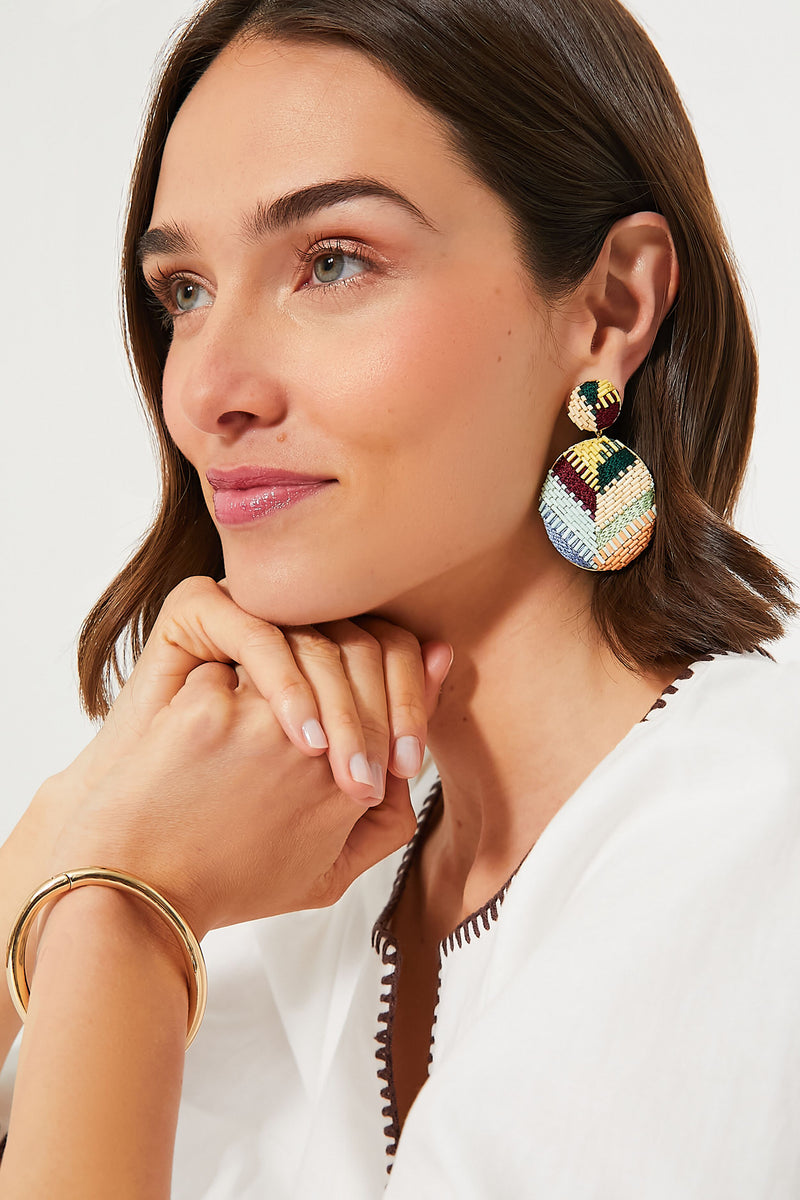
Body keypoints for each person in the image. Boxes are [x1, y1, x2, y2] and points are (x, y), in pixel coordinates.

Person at [0, 0, 798, 1195]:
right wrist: (81, 819)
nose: (206, 390)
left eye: (331, 262)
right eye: (184, 291)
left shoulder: (748, 846)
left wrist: (122, 911)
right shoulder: (282, 851)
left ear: (612, 308)